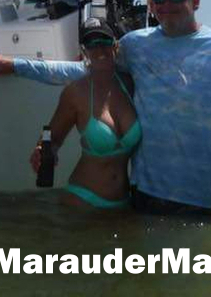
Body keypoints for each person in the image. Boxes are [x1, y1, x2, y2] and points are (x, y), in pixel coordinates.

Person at [0, 0, 211, 222]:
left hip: (204, 200)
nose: (167, 5)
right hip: (145, 195)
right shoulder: (135, 45)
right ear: (151, 5)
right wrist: (17, 66)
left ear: (194, 1)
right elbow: (91, 69)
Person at [40, 21, 140, 209]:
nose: (99, 49)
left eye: (104, 41)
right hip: (83, 200)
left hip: (124, 204)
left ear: (115, 45)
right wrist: (45, 152)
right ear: (84, 51)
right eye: (91, 44)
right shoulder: (75, 92)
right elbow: (52, 139)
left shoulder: (131, 85)